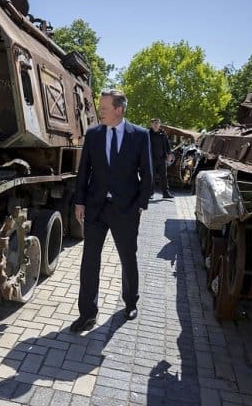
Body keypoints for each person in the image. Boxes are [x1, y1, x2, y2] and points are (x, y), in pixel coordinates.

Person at [71, 89, 153, 333]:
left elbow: (147, 175)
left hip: (126, 210)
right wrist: (79, 201)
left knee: (128, 257)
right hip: (96, 208)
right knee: (89, 261)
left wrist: (139, 206)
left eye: (104, 108)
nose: (100, 112)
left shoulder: (140, 135)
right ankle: (87, 314)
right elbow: (84, 170)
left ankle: (130, 302)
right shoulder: (93, 134)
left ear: (119, 109)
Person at [149, 118, 174, 199]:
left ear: (160, 124)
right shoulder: (147, 134)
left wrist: (169, 154)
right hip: (151, 159)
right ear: (151, 124)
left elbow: (167, 145)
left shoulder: (163, 134)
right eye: (154, 123)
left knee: (164, 176)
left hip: (162, 159)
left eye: (157, 123)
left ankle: (166, 193)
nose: (156, 125)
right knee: (151, 176)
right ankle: (150, 193)